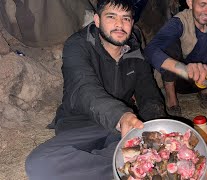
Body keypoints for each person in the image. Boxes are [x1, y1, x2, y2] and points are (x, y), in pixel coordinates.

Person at [25, 0, 166, 179]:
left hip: (119, 130)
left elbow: (149, 95)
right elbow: (84, 88)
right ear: (97, 20)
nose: (119, 24)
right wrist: (120, 116)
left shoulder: (136, 54)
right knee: (40, 164)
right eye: (111, 17)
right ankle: (130, 167)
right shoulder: (78, 46)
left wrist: (157, 126)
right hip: (81, 125)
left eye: (126, 19)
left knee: (155, 149)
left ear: (132, 23)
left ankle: (129, 165)